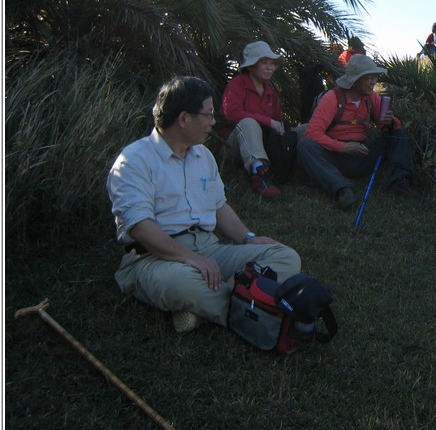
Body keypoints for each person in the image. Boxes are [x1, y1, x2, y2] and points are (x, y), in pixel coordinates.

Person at [108, 75, 302, 334]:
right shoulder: (133, 160)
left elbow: (219, 206)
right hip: (155, 258)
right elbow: (140, 228)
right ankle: (259, 307)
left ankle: (204, 306)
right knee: (181, 282)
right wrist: (191, 259)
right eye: (208, 115)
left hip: (209, 249)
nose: (213, 122)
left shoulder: (203, 155)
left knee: (285, 256)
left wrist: (247, 238)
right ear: (185, 119)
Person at [298, 54, 417, 209]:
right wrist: (344, 147)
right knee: (305, 146)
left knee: (397, 135)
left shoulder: (371, 98)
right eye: (369, 78)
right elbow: (312, 133)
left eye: (375, 77)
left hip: (362, 153)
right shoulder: (332, 98)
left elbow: (389, 129)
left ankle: (399, 183)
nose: (374, 82)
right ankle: (342, 189)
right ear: (355, 81)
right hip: (335, 156)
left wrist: (390, 122)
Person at [221, 41, 295, 200]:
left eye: (273, 63)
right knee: (248, 123)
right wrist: (267, 121)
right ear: (251, 66)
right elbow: (231, 114)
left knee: (304, 130)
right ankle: (259, 173)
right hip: (234, 145)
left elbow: (277, 118)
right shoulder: (237, 85)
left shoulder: (270, 91)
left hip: (264, 143)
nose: (270, 67)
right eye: (264, 63)